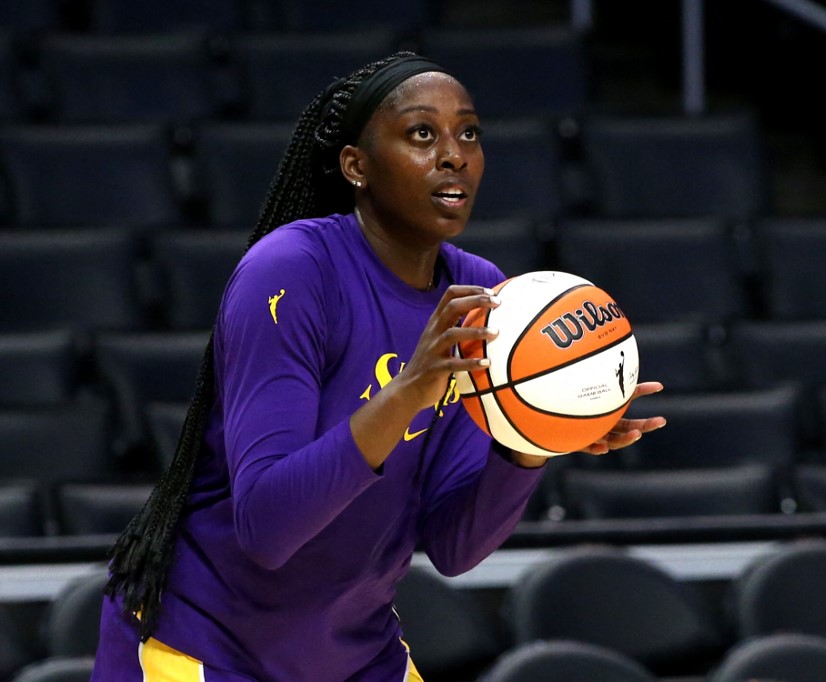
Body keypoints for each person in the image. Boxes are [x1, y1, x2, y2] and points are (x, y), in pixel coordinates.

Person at [92, 51, 665, 681]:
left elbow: (453, 547)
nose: (454, 154)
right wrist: (407, 394)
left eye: (467, 132)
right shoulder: (291, 271)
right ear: (356, 167)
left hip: (355, 654)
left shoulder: (482, 293)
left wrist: (531, 437)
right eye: (423, 134)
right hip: (207, 644)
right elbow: (266, 527)